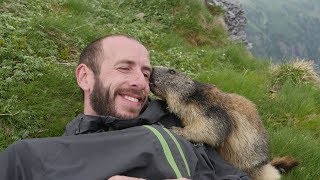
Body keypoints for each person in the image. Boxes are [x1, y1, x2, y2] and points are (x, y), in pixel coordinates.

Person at [0, 35, 251, 180]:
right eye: (124, 68)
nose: (140, 82)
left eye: (145, 73)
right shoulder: (54, 154)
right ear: (85, 77)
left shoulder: (172, 124)